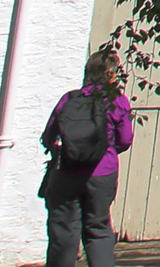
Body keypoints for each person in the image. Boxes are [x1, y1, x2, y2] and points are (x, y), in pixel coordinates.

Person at [38, 45, 133, 267]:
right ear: (110, 74)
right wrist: (104, 151)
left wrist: (69, 150)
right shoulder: (118, 101)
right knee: (98, 229)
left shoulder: (69, 99)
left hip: (66, 172)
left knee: (63, 231)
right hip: (103, 173)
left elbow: (48, 136)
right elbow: (125, 139)